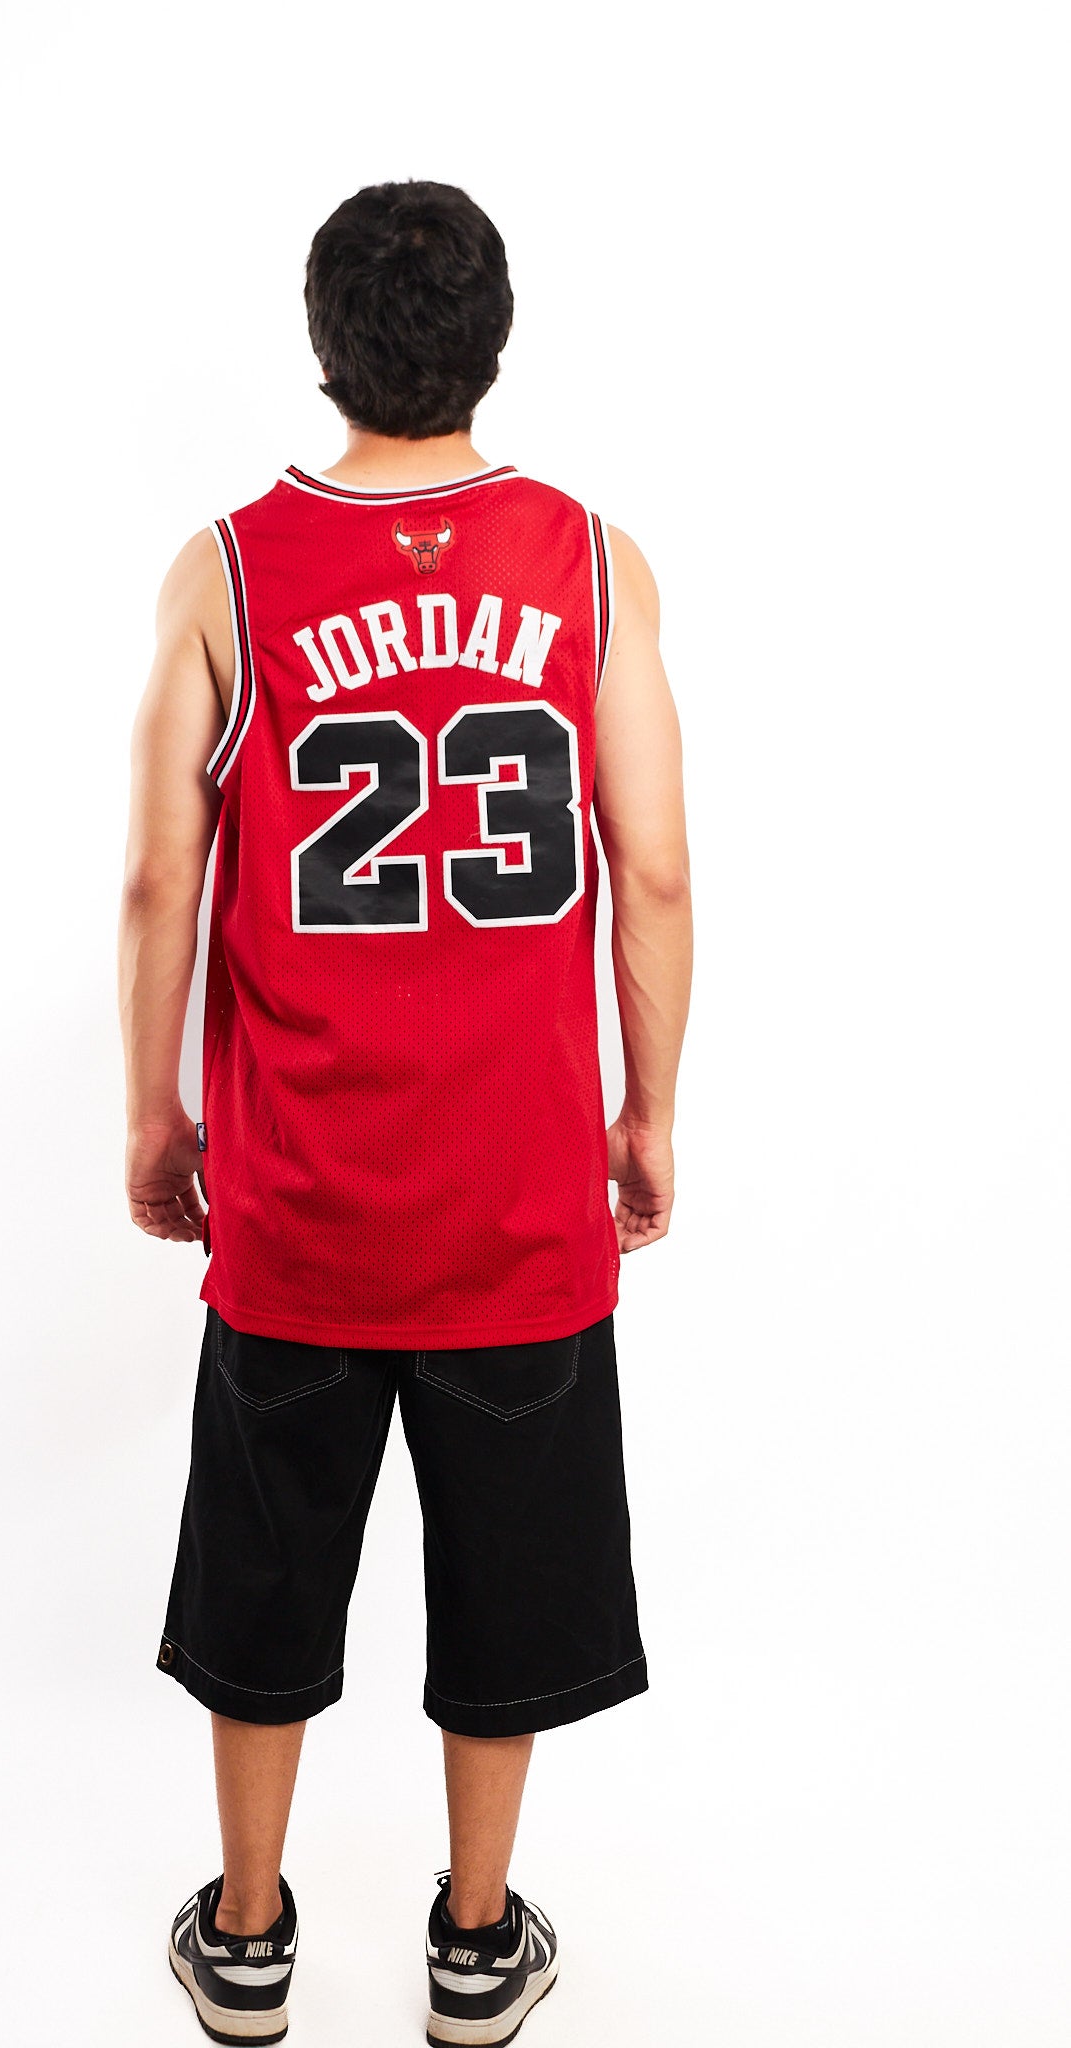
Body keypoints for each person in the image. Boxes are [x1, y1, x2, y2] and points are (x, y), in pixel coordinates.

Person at [117, 179, 692, 2047]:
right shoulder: (590, 563)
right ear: (492, 342)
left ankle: (248, 1934)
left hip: (297, 1202)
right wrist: (646, 1111)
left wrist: (153, 1118)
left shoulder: (226, 570)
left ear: (322, 343)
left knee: (264, 1577)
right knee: (507, 1589)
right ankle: (472, 1937)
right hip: (518, 1208)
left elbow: (161, 877)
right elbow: (652, 868)